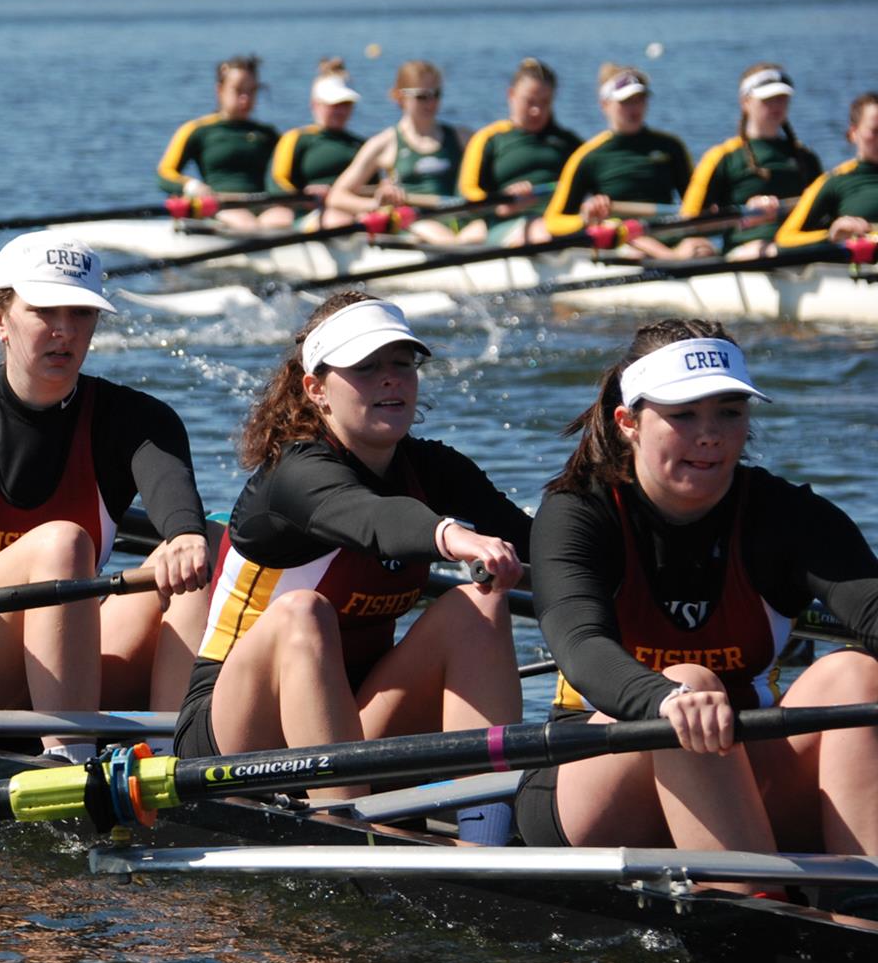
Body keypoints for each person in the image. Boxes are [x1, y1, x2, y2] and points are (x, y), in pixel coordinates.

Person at [518, 320, 878, 878]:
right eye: (683, 415)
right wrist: (662, 698)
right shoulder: (578, 514)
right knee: (692, 683)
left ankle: (862, 902)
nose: (710, 435)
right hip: (595, 784)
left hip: (741, 767)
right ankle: (760, 905)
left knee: (856, 673)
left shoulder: (786, 516)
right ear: (629, 422)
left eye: (729, 413)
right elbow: (580, 644)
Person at [175, 292, 529, 840]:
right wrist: (451, 535)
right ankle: (348, 835)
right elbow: (368, 515)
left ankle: (488, 845)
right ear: (316, 390)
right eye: (366, 368)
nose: (391, 379)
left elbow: (541, 546)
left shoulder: (433, 467)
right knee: (302, 613)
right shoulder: (292, 475)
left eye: (402, 363)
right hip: (231, 731)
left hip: (352, 717)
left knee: (477, 606)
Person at [0, 233, 210, 763]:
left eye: (81, 313)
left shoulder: (139, 420)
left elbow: (175, 499)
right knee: (62, 543)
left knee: (211, 538)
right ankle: (72, 761)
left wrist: (187, 537)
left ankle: (176, 759)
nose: (65, 331)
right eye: (44, 312)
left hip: (69, 654)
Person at [541, 65, 707, 260]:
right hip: (622, 238)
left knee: (702, 248)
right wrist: (586, 218)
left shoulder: (671, 147)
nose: (635, 108)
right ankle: (671, 258)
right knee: (630, 241)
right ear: (605, 104)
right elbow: (553, 222)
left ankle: (678, 258)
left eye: (640, 99)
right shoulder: (588, 156)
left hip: (665, 229)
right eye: (626, 101)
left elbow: (696, 207)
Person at [680, 64, 821, 260]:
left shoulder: (806, 158)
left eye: (782, 98)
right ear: (745, 102)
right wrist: (745, 216)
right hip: (750, 248)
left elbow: (824, 209)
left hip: (799, 244)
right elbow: (689, 221)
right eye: (767, 99)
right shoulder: (721, 157)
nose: (777, 105)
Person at [326, 61, 473, 246]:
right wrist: (376, 205)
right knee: (440, 236)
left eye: (436, 94)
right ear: (399, 97)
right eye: (422, 96)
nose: (431, 102)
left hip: (456, 218)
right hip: (413, 221)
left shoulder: (462, 137)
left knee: (477, 232)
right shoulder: (384, 143)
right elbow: (336, 196)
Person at [457, 58, 582, 246]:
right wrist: (503, 205)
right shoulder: (489, 139)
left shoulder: (568, 142)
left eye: (544, 102)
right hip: (507, 221)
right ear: (511, 94)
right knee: (542, 232)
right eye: (529, 101)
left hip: (559, 221)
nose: (536, 111)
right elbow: (469, 193)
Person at [157, 54, 283, 230]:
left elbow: (290, 175)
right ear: (220, 90)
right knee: (246, 223)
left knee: (283, 219)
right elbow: (164, 174)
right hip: (220, 204)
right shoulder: (198, 130)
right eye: (238, 90)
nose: (245, 99)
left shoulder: (268, 134)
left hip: (264, 204)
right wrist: (192, 186)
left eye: (252, 91)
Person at [269, 59, 365, 230]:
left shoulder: (361, 145)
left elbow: (375, 185)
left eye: (346, 104)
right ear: (315, 104)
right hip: (310, 213)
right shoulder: (297, 139)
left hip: (352, 212)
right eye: (333, 105)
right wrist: (303, 196)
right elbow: (275, 183)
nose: (340, 111)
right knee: (337, 220)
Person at [776, 92, 878, 249]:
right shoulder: (835, 182)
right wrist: (832, 236)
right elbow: (784, 240)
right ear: (853, 133)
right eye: (875, 131)